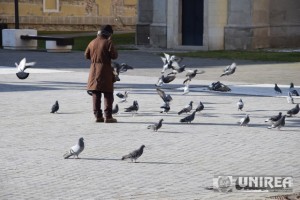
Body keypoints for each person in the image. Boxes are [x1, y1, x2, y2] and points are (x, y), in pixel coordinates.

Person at [85, 25, 118, 123]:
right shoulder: (108, 42)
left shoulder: (92, 42)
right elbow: (114, 55)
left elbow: (86, 55)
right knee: (108, 94)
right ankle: (108, 117)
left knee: (96, 93)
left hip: (93, 71)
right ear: (108, 34)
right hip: (105, 70)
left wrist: (95, 59)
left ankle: (98, 116)